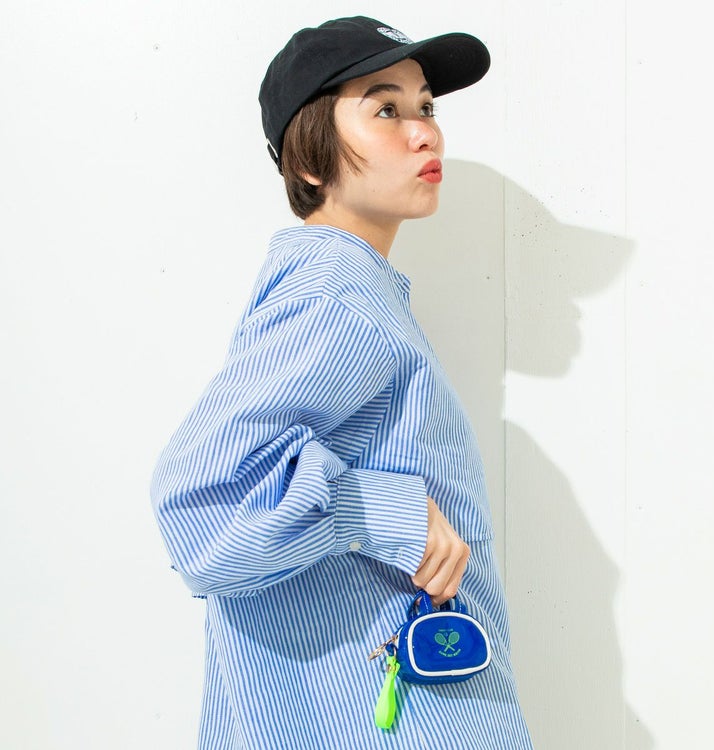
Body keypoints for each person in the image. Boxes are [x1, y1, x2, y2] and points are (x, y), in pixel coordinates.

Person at [151, 16, 533, 749]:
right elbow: (199, 498)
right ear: (310, 161)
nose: (425, 134)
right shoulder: (338, 296)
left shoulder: (354, 292)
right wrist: (384, 510)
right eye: (386, 109)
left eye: (427, 107)